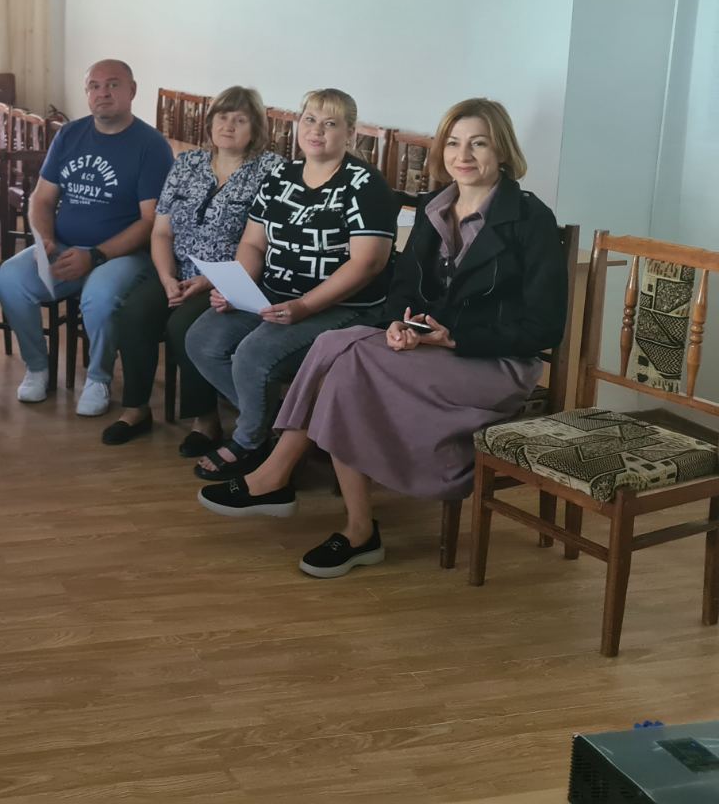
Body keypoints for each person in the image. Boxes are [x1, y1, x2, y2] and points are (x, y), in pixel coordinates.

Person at [198, 99, 568, 579]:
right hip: (432, 348)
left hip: (495, 363)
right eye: (454, 143)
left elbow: (545, 326)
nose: (463, 155)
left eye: (478, 144)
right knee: (332, 346)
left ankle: (315, 502)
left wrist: (453, 338)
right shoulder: (436, 206)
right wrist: (400, 323)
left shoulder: (531, 218)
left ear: (502, 150)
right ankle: (322, 506)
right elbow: (403, 287)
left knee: (347, 368)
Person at [183, 88, 396, 480]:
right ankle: (285, 425)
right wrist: (237, 286)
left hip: (343, 307)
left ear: (350, 133)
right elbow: (253, 243)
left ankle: (250, 442)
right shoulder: (281, 176)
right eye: (310, 120)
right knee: (202, 340)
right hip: (274, 294)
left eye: (330, 123)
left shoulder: (365, 185)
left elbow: (368, 264)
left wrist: (304, 307)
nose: (317, 131)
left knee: (253, 356)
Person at [106, 87, 285, 449]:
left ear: (256, 128)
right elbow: (161, 231)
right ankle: (136, 408)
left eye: (240, 119)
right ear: (209, 122)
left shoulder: (270, 170)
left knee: (183, 325)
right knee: (133, 313)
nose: (228, 126)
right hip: (178, 270)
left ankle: (205, 420)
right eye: (222, 117)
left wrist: (206, 281)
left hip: (231, 279)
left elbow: (263, 242)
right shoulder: (188, 163)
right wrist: (166, 278)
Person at [0, 59, 174, 417]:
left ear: (132, 91)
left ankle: (98, 377)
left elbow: (150, 221)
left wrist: (95, 256)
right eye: (94, 86)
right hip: (63, 247)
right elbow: (42, 199)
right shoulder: (70, 134)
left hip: (124, 256)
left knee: (100, 295)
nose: (102, 93)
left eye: (113, 84)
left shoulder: (151, 145)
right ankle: (37, 367)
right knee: (10, 278)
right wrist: (45, 238)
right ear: (87, 93)